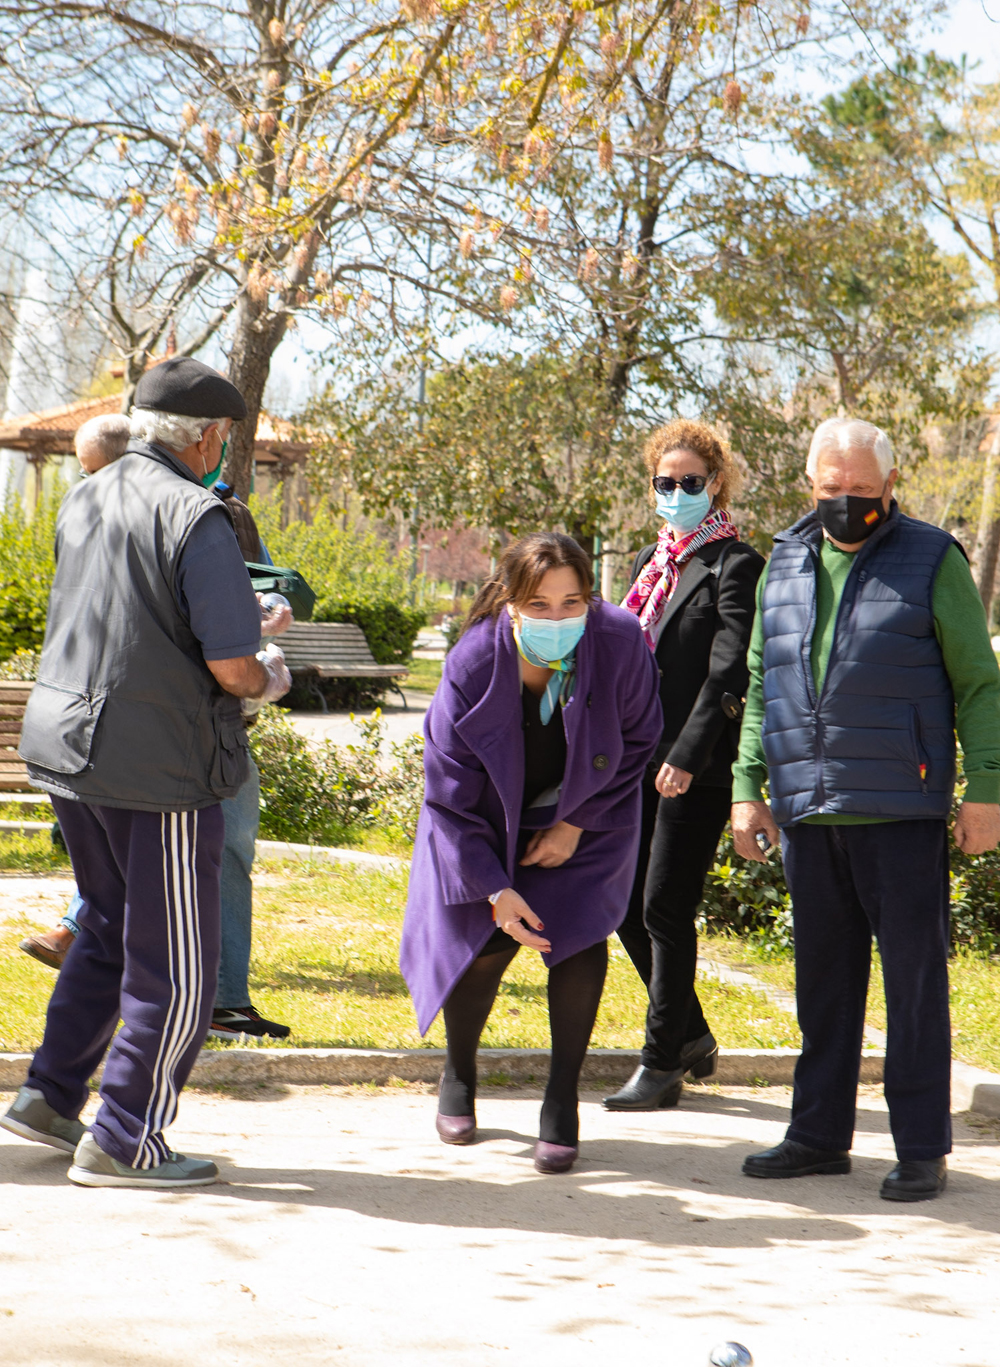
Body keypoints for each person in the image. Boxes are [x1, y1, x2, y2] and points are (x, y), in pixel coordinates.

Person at [0, 356, 292, 1189]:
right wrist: (272, 670)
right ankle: (127, 1137)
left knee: (104, 922)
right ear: (205, 438)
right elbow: (234, 665)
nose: (223, 453)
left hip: (67, 747)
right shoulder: (196, 512)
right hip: (153, 763)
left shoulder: (88, 492)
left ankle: (51, 1098)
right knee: (179, 964)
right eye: (224, 440)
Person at [731, 417, 1000, 1202]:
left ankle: (921, 1145)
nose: (845, 503)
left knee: (914, 984)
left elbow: (980, 684)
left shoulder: (932, 558)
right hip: (808, 809)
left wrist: (985, 787)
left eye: (860, 490)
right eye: (830, 490)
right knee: (823, 982)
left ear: (890, 486)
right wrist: (749, 785)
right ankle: (817, 1134)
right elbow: (760, 683)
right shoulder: (782, 562)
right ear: (810, 487)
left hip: (900, 806)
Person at [400, 532, 662, 1174]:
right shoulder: (470, 662)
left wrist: (575, 823)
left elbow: (639, 740)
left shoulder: (620, 639)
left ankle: (561, 1098)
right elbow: (448, 796)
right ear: (511, 603)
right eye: (539, 606)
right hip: (482, 820)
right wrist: (493, 887)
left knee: (573, 940)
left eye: (571, 603)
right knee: (486, 945)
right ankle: (459, 1072)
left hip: (585, 813)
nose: (556, 618)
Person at [604, 420, 764, 1111]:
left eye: (689, 483)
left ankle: (663, 1060)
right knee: (623, 906)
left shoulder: (735, 564)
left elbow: (730, 671)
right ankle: (692, 1033)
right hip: (632, 758)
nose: (675, 493)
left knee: (665, 905)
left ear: (716, 483)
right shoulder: (651, 560)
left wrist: (687, 754)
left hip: (693, 765)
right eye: (664, 483)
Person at [18, 413, 132, 970]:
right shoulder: (86, 516)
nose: (87, 485)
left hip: (122, 715)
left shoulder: (171, 513)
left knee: (119, 860)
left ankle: (74, 932)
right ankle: (76, 932)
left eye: (94, 471)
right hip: (80, 714)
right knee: (108, 860)